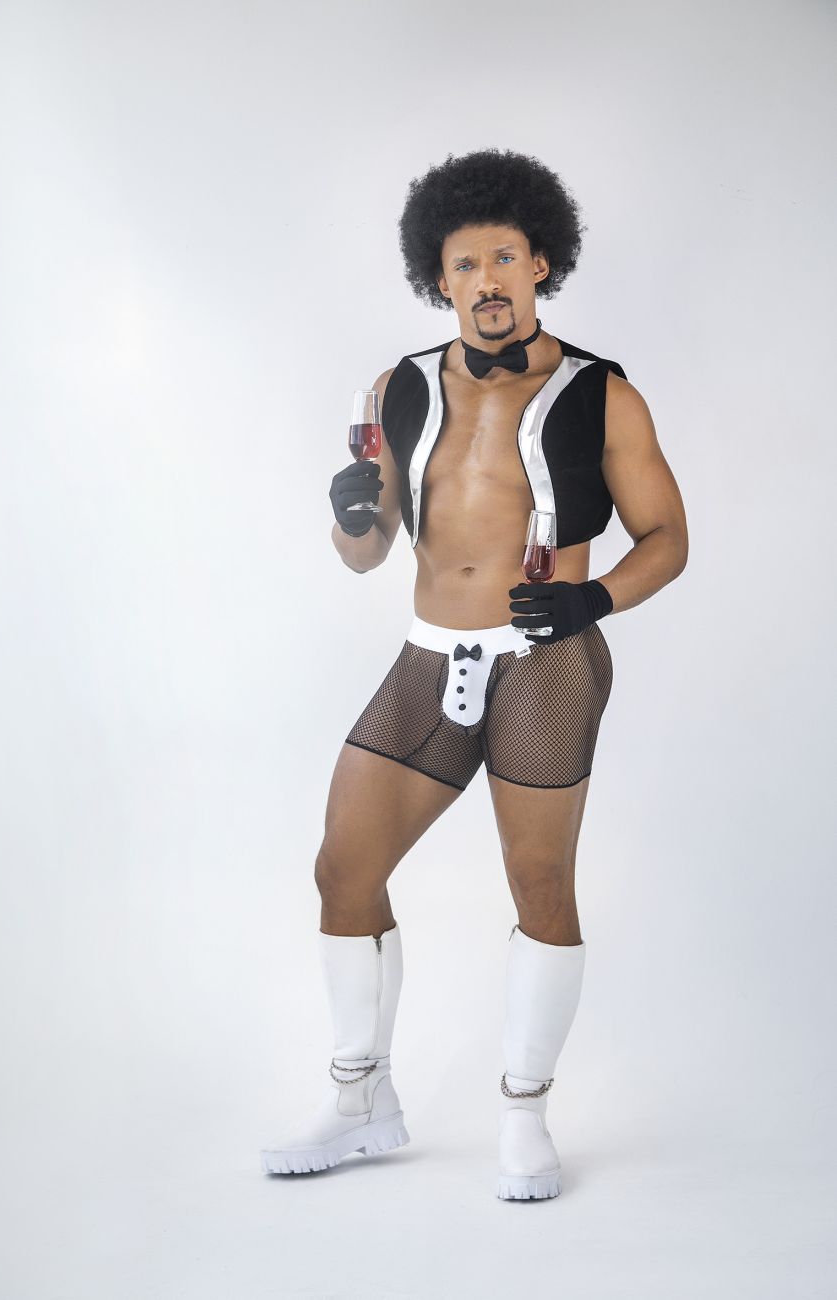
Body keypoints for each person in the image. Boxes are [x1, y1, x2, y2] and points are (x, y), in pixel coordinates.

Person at [261, 147, 688, 1199]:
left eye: (505, 258)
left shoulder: (604, 394)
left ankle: (525, 1114)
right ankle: (361, 1101)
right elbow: (366, 554)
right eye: (465, 264)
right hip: (429, 652)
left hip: (547, 661)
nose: (487, 280)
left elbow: (668, 538)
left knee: (538, 883)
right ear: (438, 279)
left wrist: (595, 597)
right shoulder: (396, 388)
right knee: (343, 869)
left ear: (541, 264)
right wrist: (348, 517)